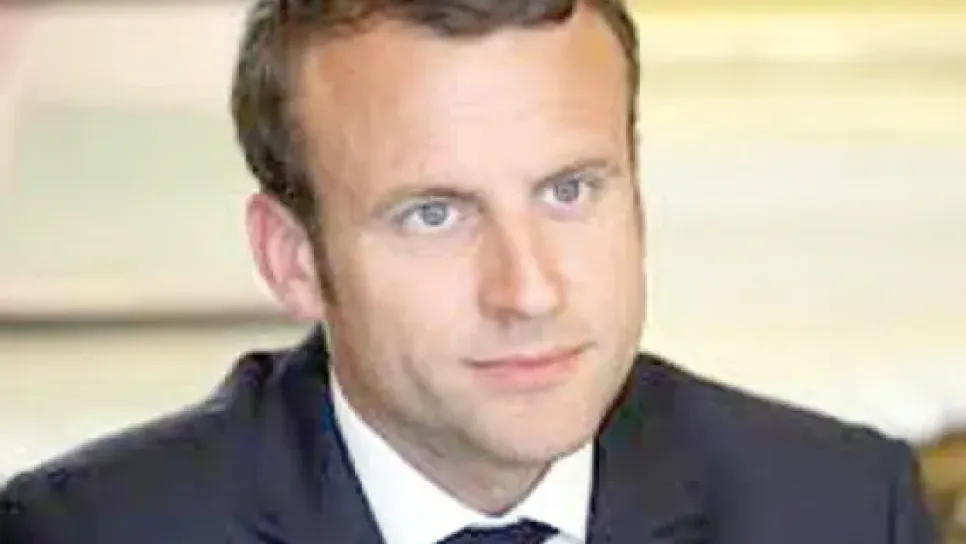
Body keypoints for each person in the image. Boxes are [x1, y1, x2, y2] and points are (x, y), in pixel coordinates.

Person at [0, 0, 939, 542]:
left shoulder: (843, 510)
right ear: (293, 259)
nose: (529, 291)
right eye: (435, 214)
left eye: (570, 191)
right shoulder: (85, 535)